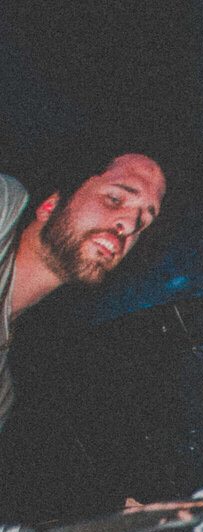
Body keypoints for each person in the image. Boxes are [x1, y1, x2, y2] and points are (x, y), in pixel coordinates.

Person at [1, 149, 165, 436]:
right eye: (115, 199)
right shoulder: (6, 203)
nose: (128, 226)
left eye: (144, 223)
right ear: (50, 206)